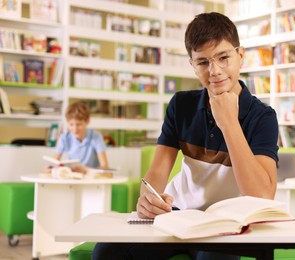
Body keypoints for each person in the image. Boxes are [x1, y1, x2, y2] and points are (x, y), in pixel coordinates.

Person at [92, 12, 279, 260]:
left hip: (226, 222)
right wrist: (147, 198)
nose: (215, 71)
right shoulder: (181, 105)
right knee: (107, 251)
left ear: (240, 56)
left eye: (224, 57)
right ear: (192, 65)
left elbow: (262, 195)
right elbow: (157, 172)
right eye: (203, 62)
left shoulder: (263, 116)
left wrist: (229, 124)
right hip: (178, 214)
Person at [53, 101, 108, 173]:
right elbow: (54, 163)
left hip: (92, 177)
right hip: (73, 177)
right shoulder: (64, 138)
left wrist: (86, 169)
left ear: (87, 121)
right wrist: (50, 168)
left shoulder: (96, 137)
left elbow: (105, 167)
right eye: (71, 124)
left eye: (79, 124)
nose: (75, 129)